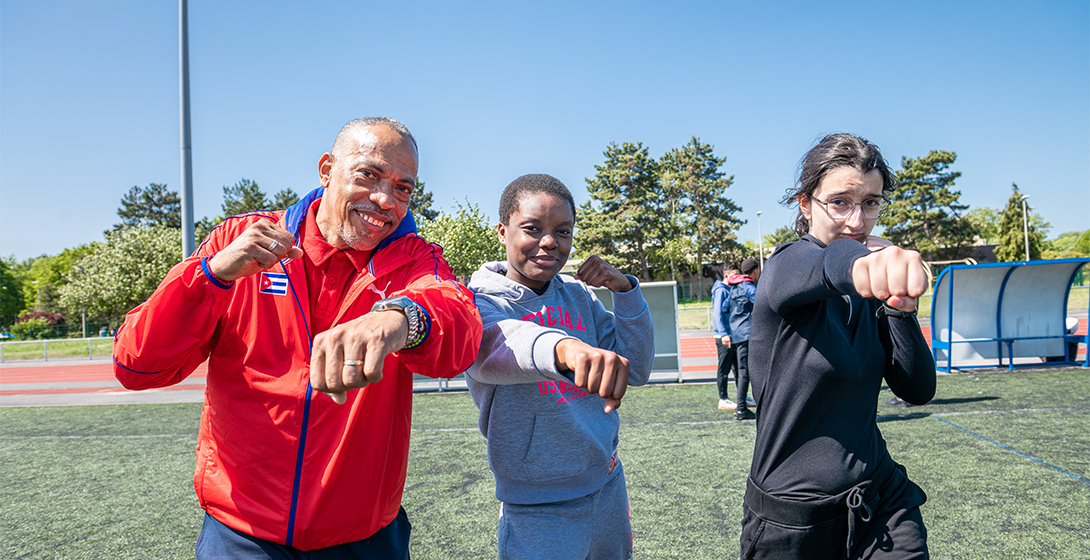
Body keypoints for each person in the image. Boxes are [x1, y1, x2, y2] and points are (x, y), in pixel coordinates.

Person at [113, 117, 483, 558]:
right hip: (241, 532)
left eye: (404, 187)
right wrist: (211, 275)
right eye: (369, 174)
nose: (386, 199)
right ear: (327, 169)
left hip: (363, 537)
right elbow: (137, 366)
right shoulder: (238, 239)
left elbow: (459, 327)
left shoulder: (415, 261)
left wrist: (404, 317)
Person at [741, 133, 935, 559]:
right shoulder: (787, 266)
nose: (856, 220)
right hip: (792, 522)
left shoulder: (869, 286)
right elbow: (831, 263)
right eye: (840, 202)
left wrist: (902, 310)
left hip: (880, 499)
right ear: (805, 204)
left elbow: (917, 390)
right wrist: (871, 261)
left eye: (870, 202)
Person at [464, 174, 655, 560]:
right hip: (536, 507)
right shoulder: (478, 302)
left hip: (607, 485)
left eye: (562, 231)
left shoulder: (579, 294)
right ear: (503, 232)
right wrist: (565, 349)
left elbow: (637, 369)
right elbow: (498, 344)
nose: (550, 241)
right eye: (533, 229)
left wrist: (626, 293)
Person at [727, 257, 760, 421]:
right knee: (745, 372)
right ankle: (741, 409)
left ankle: (741, 407)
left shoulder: (734, 288)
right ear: (755, 271)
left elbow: (725, 307)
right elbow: (761, 304)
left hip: (737, 334)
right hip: (747, 334)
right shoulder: (748, 287)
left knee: (742, 372)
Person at [712, 265, 739, 410]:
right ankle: (723, 398)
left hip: (732, 335)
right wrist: (723, 334)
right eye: (734, 275)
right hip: (724, 336)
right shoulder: (721, 290)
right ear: (727, 276)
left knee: (737, 368)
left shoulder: (730, 289)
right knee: (724, 368)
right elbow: (717, 314)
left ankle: (742, 397)